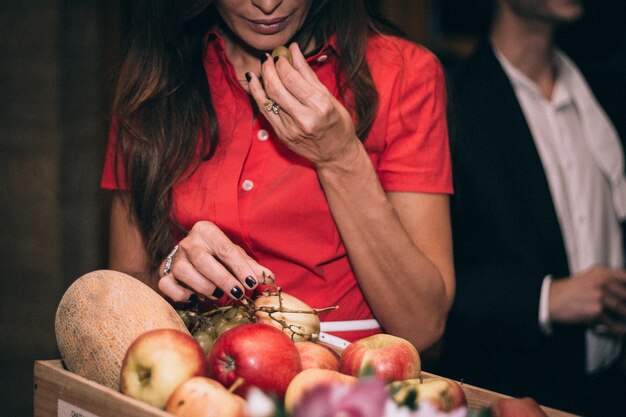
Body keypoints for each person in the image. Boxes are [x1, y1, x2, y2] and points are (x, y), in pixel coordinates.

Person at [101, 0, 455, 352]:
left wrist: (340, 157)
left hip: (342, 382)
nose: (268, 4)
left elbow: (422, 325)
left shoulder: (402, 72)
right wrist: (172, 272)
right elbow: (121, 289)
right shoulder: (155, 77)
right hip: (197, 373)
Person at [437, 0, 626, 415]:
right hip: (517, 394)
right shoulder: (452, 101)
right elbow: (427, 291)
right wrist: (545, 298)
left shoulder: (606, 92)